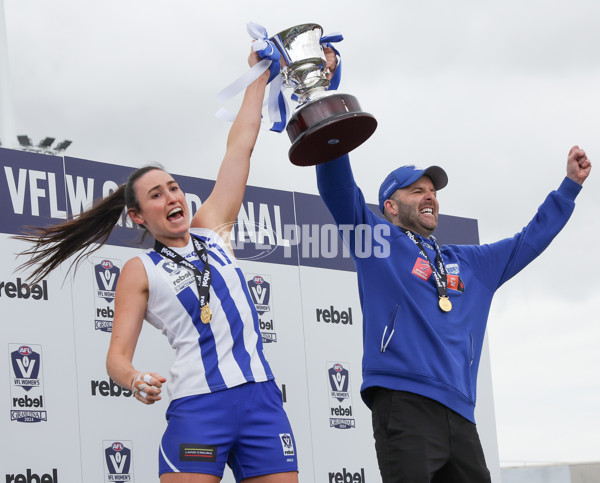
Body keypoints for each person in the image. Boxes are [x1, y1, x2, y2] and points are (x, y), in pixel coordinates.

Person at [15, 50, 298, 483]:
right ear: (138, 216)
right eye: (156, 195)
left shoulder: (214, 231)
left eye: (173, 188)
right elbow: (116, 359)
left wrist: (262, 73)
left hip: (262, 400)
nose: (171, 198)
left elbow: (241, 143)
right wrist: (134, 380)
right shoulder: (140, 269)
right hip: (201, 408)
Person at [315, 145, 591, 482]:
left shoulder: (470, 263)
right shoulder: (376, 241)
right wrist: (331, 134)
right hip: (404, 401)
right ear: (390, 206)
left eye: (432, 191)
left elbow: (529, 239)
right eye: (417, 191)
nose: (429, 196)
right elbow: (339, 190)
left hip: (461, 414)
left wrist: (569, 187)